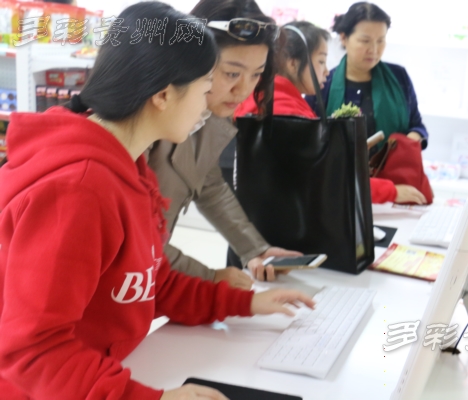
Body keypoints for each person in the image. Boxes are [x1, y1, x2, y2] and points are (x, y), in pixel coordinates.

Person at [0, 3, 314, 399]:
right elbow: (33, 350)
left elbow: (152, 282)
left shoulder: (130, 168)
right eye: (206, 88)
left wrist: (245, 304)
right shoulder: (78, 191)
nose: (209, 104)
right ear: (164, 94)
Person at [147, 0, 302, 289]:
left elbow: (209, 184)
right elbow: (136, 241)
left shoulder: (209, 114)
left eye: (256, 74)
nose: (243, 90)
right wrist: (210, 279)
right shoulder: (144, 121)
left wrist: (255, 249)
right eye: (232, 73)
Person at [235, 21, 427, 205]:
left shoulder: (270, 98)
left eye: (381, 40)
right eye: (321, 61)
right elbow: (326, 178)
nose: (326, 71)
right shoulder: (287, 112)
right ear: (292, 64)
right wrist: (389, 191)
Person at [308, 2, 430, 151]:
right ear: (344, 38)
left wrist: (407, 143)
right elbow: (308, 135)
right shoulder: (323, 82)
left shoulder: (399, 77)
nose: (374, 49)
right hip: (336, 166)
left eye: (380, 41)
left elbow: (417, 126)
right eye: (365, 41)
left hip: (389, 166)